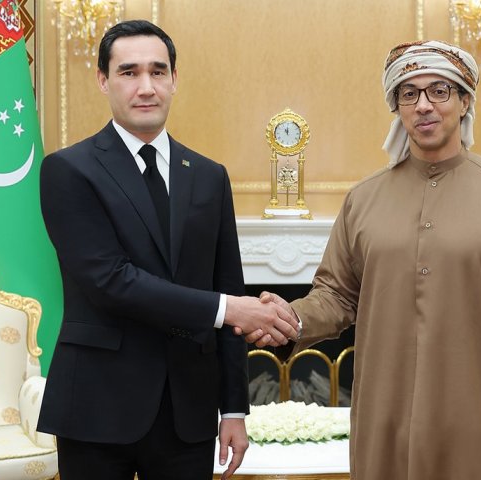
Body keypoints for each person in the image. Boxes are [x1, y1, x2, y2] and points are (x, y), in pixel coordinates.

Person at [243, 40, 481, 480]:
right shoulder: (363, 200)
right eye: (408, 93)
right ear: (397, 107)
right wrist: (292, 318)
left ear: (465, 102)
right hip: (385, 414)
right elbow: (336, 295)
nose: (423, 105)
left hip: (478, 415)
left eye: (439, 90)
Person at [37, 20, 298, 480]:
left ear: (174, 79)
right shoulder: (68, 170)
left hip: (188, 412)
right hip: (97, 407)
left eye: (158, 72)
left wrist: (234, 409)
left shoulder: (209, 176)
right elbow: (110, 281)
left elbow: (227, 282)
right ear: (103, 80)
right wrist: (228, 309)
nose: (146, 87)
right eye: (129, 72)